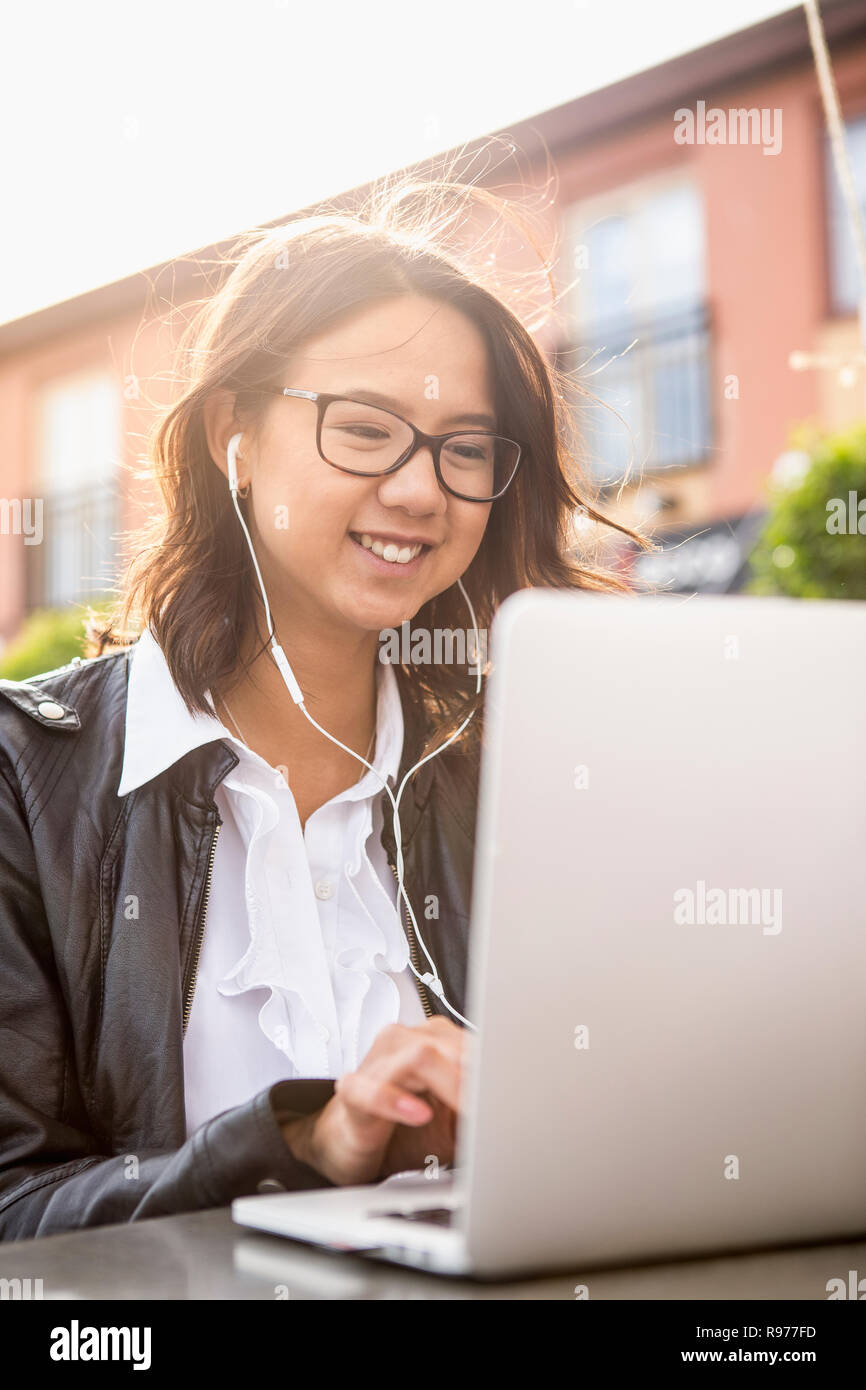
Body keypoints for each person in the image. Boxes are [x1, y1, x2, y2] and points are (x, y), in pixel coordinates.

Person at [0, 170, 646, 1239]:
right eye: (363, 428)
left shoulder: (523, 779)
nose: (419, 489)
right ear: (232, 437)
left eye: (466, 447)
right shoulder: (28, 780)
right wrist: (298, 1147)